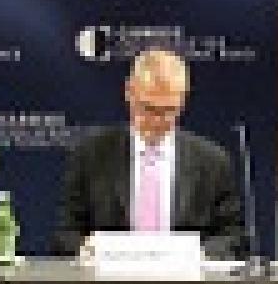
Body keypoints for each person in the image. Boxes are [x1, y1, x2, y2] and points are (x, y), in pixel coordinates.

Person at [54, 48, 246, 259]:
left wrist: (199, 255)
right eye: (148, 108)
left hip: (185, 277)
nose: (157, 121)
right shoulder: (90, 155)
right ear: (129, 92)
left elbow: (233, 236)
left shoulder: (212, 162)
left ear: (183, 100)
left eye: (169, 110)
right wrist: (85, 248)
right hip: (110, 277)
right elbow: (66, 233)